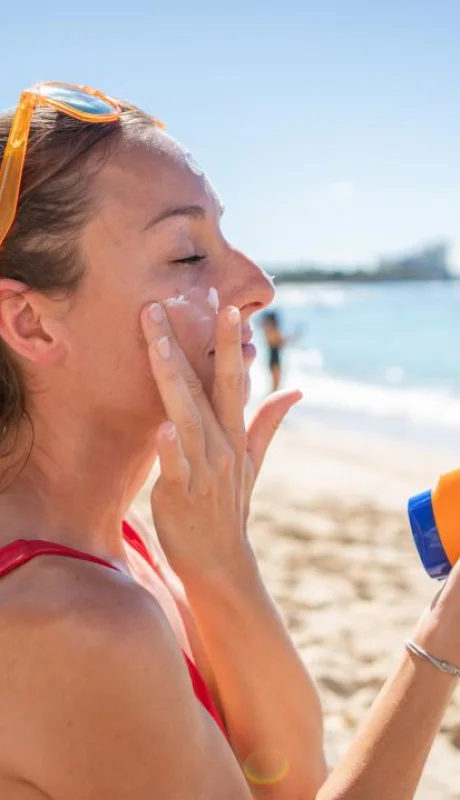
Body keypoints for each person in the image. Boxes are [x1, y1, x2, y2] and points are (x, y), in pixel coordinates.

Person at [0, 81, 459, 800]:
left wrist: (222, 565)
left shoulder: (117, 541)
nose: (256, 285)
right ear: (30, 324)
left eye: (225, 238)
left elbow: (290, 781)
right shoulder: (68, 621)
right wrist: (443, 638)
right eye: (188, 255)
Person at [261, 309, 290, 391]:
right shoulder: (272, 329)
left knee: (275, 380)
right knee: (276, 380)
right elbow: (279, 342)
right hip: (274, 356)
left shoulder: (267, 329)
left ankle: (273, 396)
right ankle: (274, 397)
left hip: (272, 355)